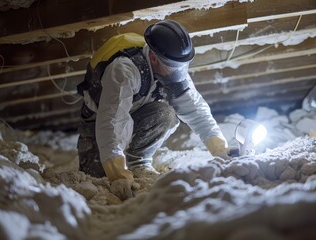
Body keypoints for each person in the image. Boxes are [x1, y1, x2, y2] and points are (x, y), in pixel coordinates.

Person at [77, 20, 230, 200]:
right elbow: (111, 122)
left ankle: (138, 161)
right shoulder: (124, 70)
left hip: (137, 113)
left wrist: (221, 150)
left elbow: (197, 111)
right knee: (98, 177)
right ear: (154, 58)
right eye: (174, 66)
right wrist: (117, 174)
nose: (179, 71)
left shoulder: (173, 70)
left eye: (182, 65)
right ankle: (112, 164)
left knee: (166, 115)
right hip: (98, 123)